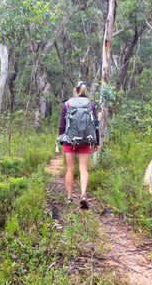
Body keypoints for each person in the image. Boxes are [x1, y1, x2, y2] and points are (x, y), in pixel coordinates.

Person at [58, 81, 99, 209]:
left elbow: (62, 125)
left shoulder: (67, 104)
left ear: (75, 90)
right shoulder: (90, 104)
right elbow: (95, 124)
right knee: (83, 169)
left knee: (70, 169)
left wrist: (61, 138)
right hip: (86, 140)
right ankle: (83, 195)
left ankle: (70, 198)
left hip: (70, 140)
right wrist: (96, 141)